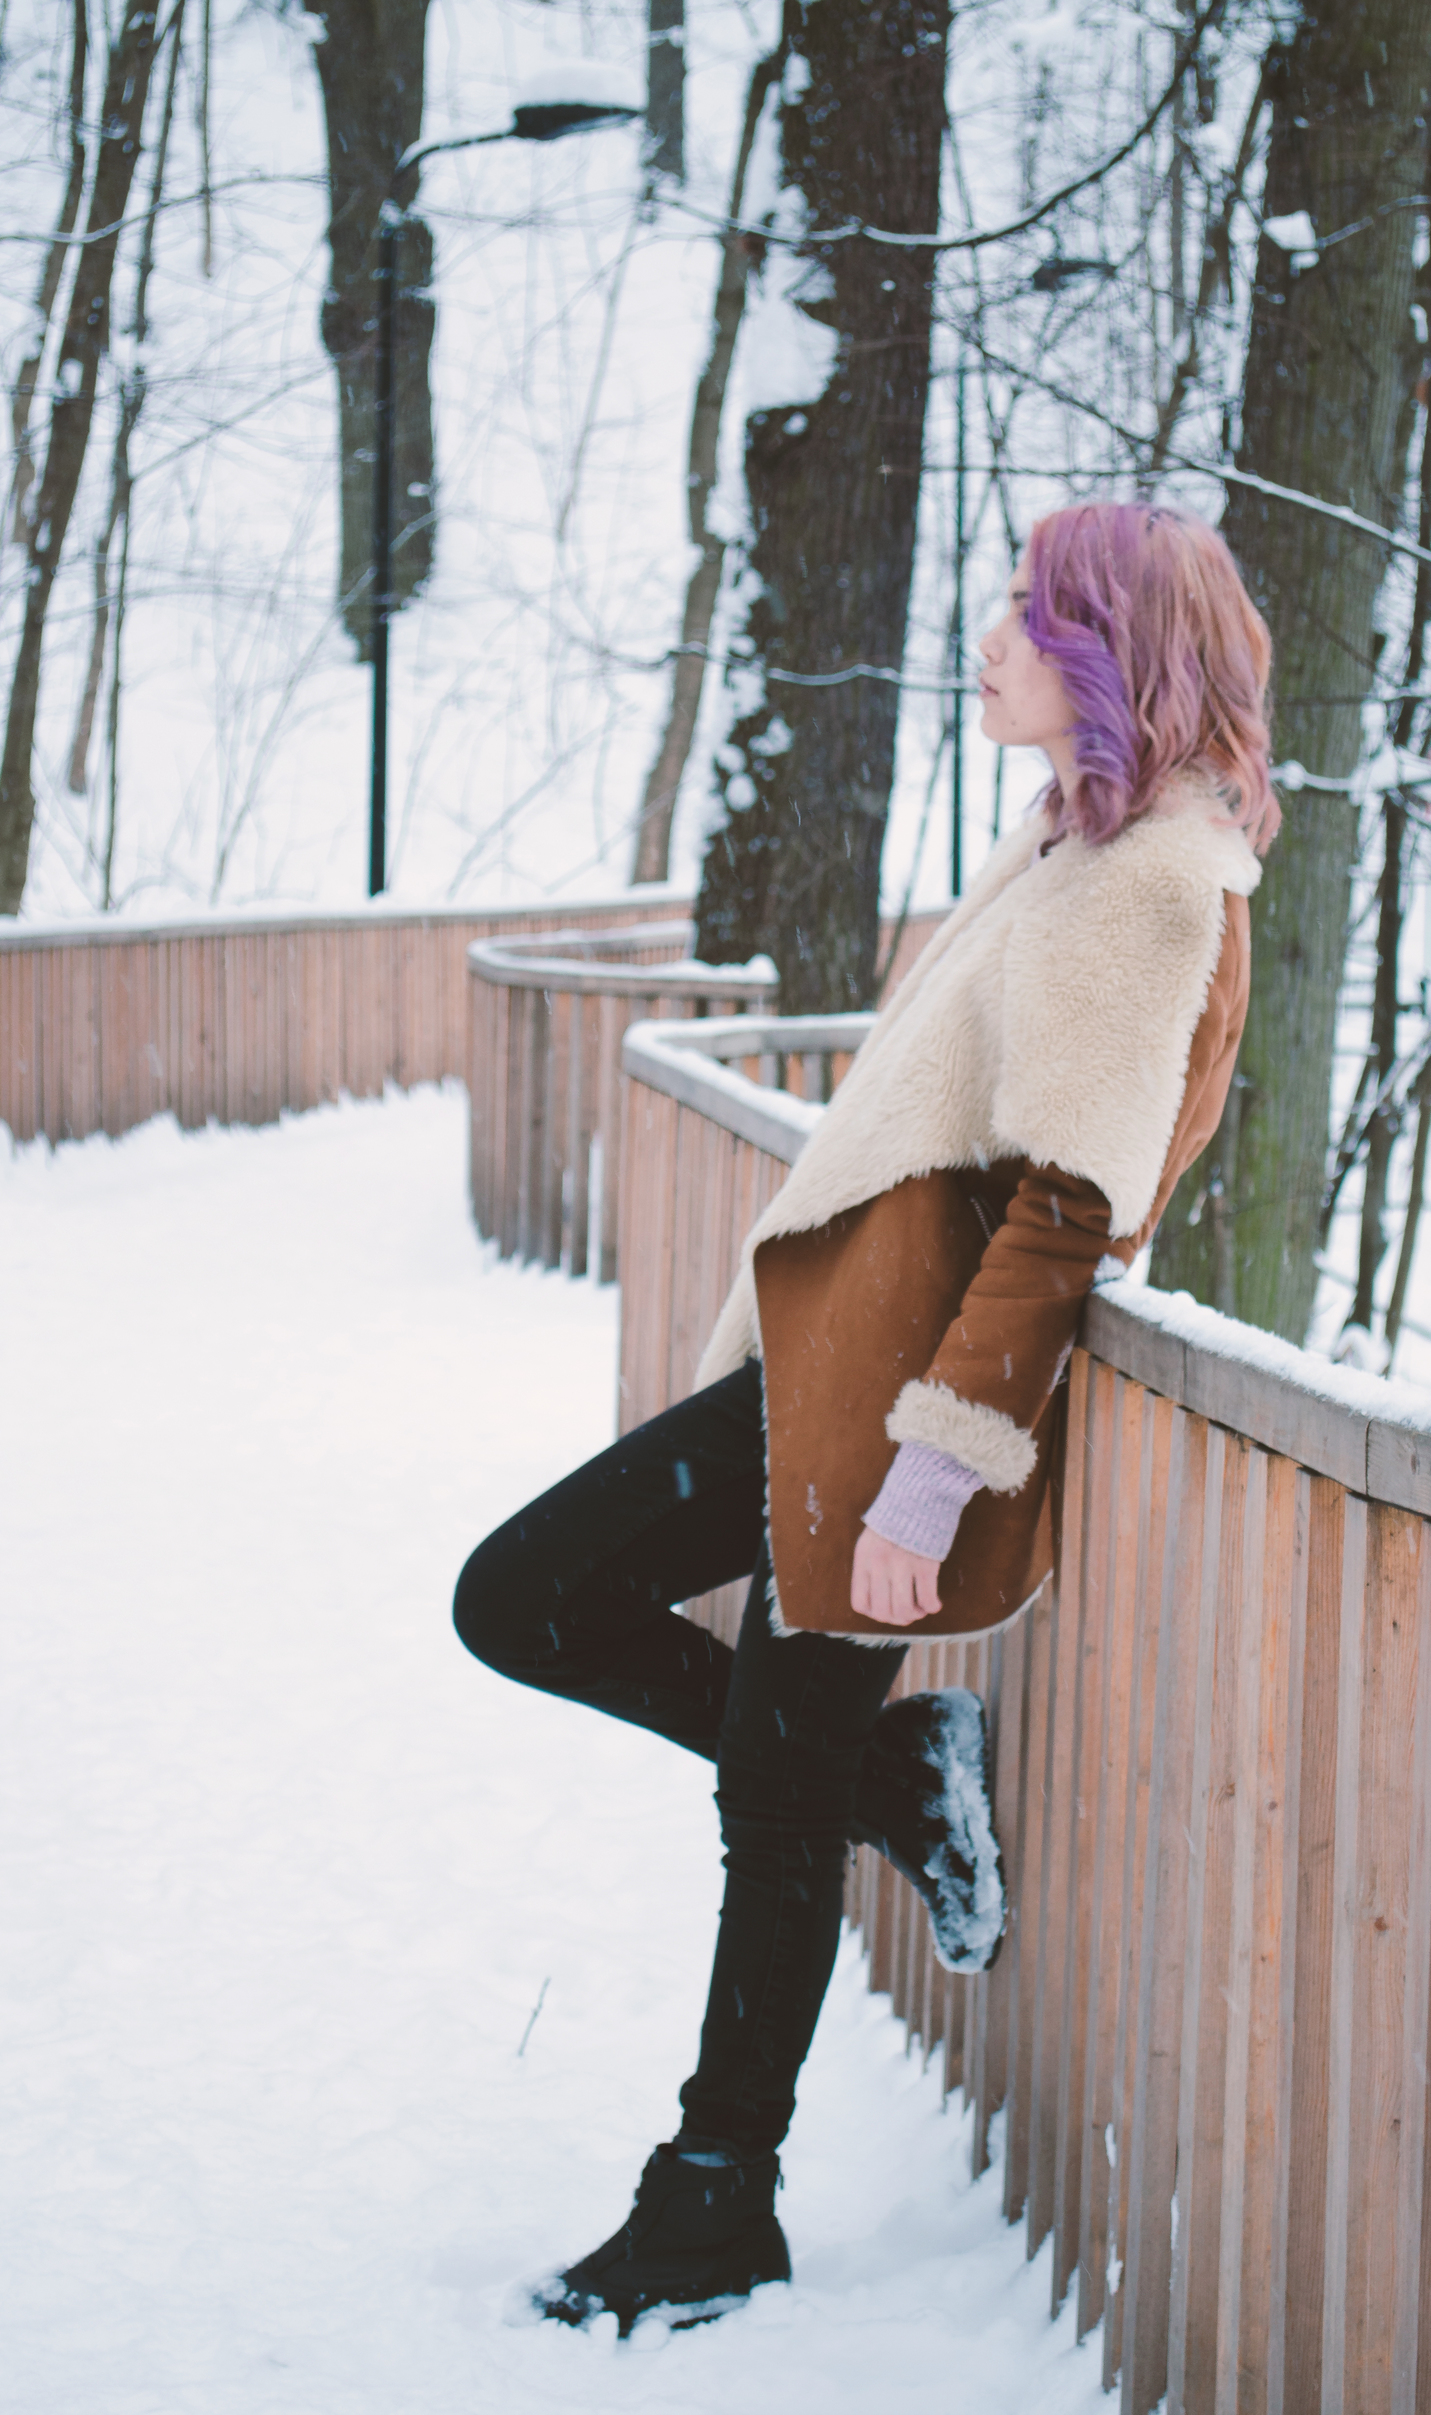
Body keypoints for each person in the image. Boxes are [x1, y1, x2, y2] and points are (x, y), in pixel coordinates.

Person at [452, 499, 1279, 2336]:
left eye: (1026, 610)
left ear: (1108, 652)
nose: (988, 636)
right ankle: (900, 1779)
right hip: (821, 1385)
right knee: (524, 1598)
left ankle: (714, 2199)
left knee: (768, 1798)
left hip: (908, 1418)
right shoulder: (1075, 845)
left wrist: (930, 1476)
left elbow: (1073, 1201)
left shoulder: (1157, 883)